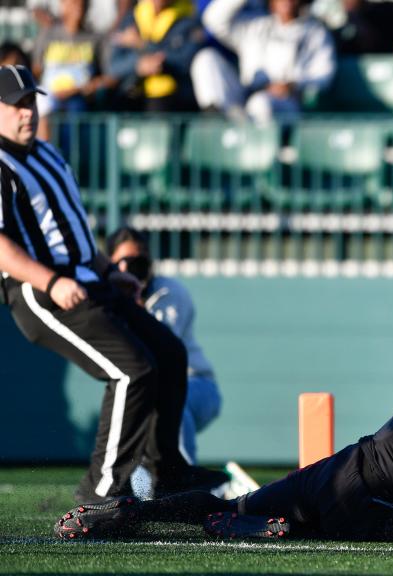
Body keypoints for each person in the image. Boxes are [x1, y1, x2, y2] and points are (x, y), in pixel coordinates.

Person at [54, 219, 393, 543]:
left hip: (358, 479)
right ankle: (206, 524)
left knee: (241, 506)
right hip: (376, 505)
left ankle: (131, 514)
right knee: (253, 515)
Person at [0, 65, 227, 504]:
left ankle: (166, 473)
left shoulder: (47, 154)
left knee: (168, 353)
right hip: (41, 291)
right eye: (17, 104)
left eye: (32, 101)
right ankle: (101, 492)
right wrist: (52, 281)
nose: (28, 112)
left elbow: (73, 233)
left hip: (88, 279)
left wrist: (108, 270)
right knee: (131, 372)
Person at [106, 227, 221, 466]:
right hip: (144, 389)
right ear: (112, 264)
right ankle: (140, 495)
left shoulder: (170, 291)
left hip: (196, 384)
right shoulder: (107, 295)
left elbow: (162, 352)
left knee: (167, 402)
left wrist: (134, 303)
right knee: (135, 429)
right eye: (126, 261)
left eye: (141, 261)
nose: (134, 268)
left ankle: (185, 479)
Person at [191, 0, 336, 122]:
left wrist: (292, 85)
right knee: (206, 58)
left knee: (260, 103)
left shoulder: (316, 32)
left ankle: (259, 149)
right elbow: (213, 19)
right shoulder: (256, 25)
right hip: (244, 100)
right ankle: (217, 121)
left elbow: (323, 76)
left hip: (286, 103)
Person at [32, 0, 115, 141]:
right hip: (50, 100)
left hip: (80, 101)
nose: (78, 8)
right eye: (73, 3)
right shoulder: (47, 35)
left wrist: (91, 87)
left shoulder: (96, 39)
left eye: (81, 4)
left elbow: (109, 76)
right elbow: (36, 69)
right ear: (62, 5)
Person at [108, 0, 205, 112]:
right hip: (132, 96)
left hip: (172, 99)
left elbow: (186, 61)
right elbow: (113, 66)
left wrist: (141, 45)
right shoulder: (131, 19)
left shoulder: (188, 19)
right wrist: (138, 65)